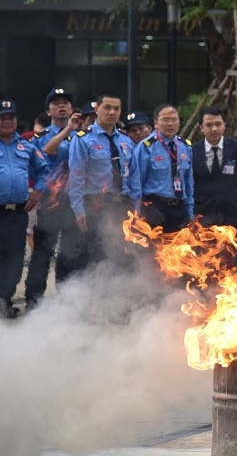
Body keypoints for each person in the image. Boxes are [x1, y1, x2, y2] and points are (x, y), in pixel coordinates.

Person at [67, 93, 135, 270]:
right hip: (96, 203)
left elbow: (132, 176)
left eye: (116, 108)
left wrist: (135, 205)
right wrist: (78, 209)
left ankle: (115, 293)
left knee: (121, 253)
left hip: (121, 203)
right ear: (97, 109)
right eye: (107, 108)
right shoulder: (83, 138)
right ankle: (93, 294)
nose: (112, 112)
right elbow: (76, 176)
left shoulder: (125, 140)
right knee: (94, 254)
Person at [27, 88, 82, 303]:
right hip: (50, 202)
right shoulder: (39, 138)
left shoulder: (82, 135)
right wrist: (67, 130)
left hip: (75, 202)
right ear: (48, 111)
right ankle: (34, 299)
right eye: (56, 103)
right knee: (42, 251)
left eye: (66, 103)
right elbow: (48, 153)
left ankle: (65, 299)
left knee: (70, 252)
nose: (62, 106)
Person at [0, 99, 48, 318]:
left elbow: (44, 171)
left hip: (16, 213)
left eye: (11, 117)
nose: (7, 121)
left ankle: (4, 300)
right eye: (3, 117)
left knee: (15, 259)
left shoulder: (26, 147)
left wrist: (37, 191)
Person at [128, 103, 194, 232]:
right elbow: (136, 183)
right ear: (156, 123)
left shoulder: (185, 146)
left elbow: (189, 181)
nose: (170, 124)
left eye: (174, 120)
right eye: (165, 120)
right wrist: (136, 212)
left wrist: (190, 210)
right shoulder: (146, 147)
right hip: (154, 208)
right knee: (154, 250)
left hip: (179, 208)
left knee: (180, 250)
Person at [193, 107, 237, 235]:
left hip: (231, 216)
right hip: (202, 218)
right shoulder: (192, 151)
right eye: (209, 125)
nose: (214, 129)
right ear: (201, 128)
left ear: (224, 125)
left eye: (218, 124)